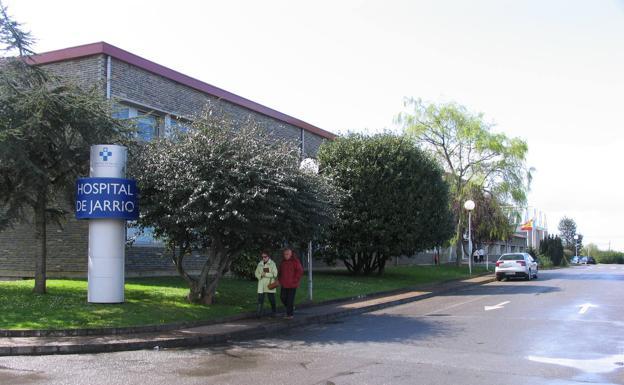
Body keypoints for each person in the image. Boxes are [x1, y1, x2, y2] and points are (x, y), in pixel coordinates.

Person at [278, 248, 303, 319]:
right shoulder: (283, 262)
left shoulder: (295, 261)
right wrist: (279, 279)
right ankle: (291, 307)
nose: (286, 256)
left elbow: (300, 271)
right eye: (285, 254)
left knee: (290, 300)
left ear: (291, 254)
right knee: (282, 297)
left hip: (292, 285)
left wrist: (295, 280)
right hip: (284, 284)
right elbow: (280, 272)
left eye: (287, 254)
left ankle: (290, 315)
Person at [254, 251, 278, 318]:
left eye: (265, 257)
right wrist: (260, 276)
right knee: (260, 300)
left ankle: (274, 312)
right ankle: (258, 314)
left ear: (268, 257)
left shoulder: (272, 264)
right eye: (262, 257)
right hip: (261, 285)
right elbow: (256, 273)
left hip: (269, 284)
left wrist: (266, 274)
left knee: (271, 299)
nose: (263, 258)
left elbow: (275, 274)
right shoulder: (260, 264)